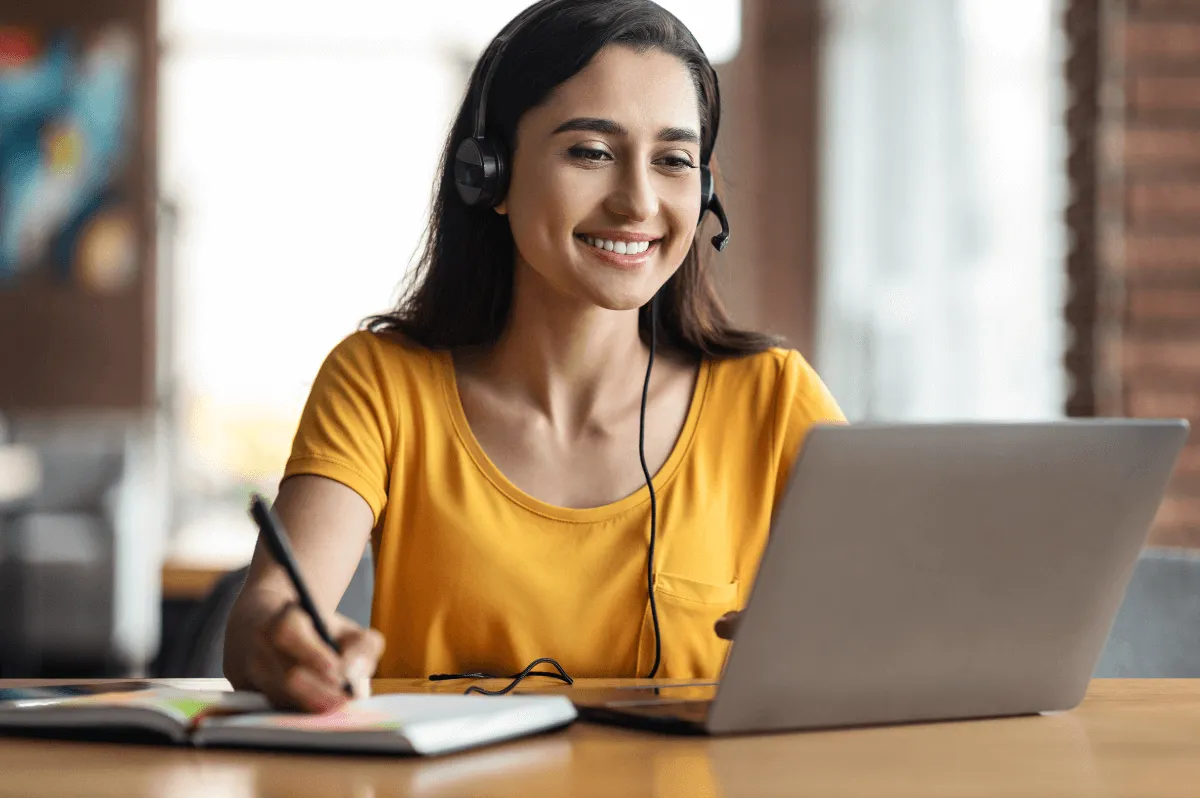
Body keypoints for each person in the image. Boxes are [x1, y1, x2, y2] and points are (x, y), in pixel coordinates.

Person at [223, 0, 844, 712]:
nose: (638, 201)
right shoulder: (381, 382)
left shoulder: (771, 397)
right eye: (592, 152)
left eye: (673, 160)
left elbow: (899, 608)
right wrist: (287, 640)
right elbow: (261, 615)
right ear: (486, 175)